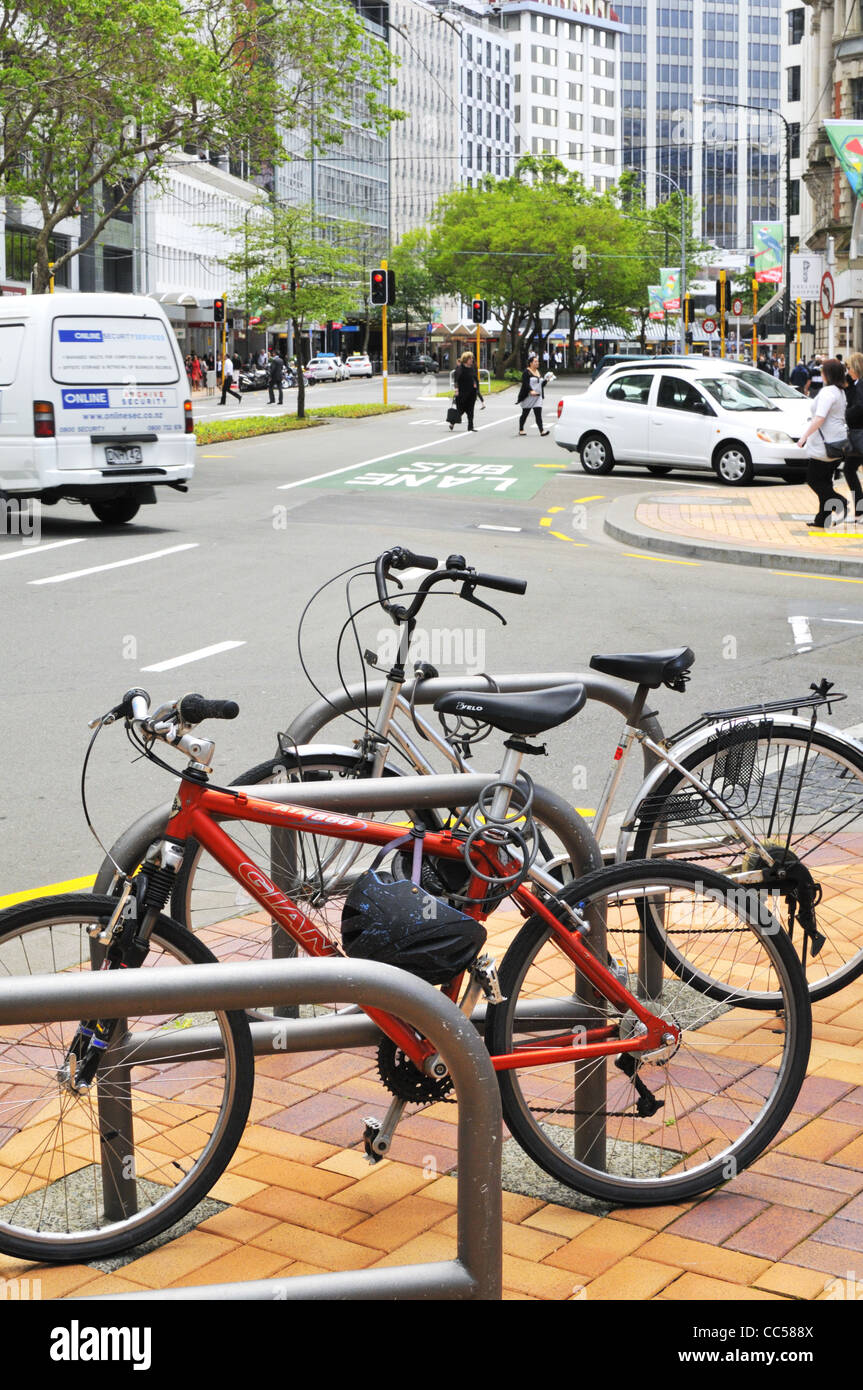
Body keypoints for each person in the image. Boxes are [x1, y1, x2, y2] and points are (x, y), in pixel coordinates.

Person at [797, 356, 849, 528]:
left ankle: (839, 502)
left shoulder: (827, 392)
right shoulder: (840, 391)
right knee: (825, 481)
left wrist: (804, 437)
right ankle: (822, 519)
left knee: (814, 480)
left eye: (823, 371)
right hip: (837, 442)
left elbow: (819, 418)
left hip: (824, 444)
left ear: (828, 374)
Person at [844, 351, 863, 521]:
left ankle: (860, 512)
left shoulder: (862, 385)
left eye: (849, 367)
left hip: (860, 434)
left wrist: (845, 414)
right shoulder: (856, 384)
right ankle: (859, 511)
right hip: (857, 434)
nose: (847, 371)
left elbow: (859, 407)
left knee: (849, 469)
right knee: (849, 469)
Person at [516, 354, 550, 436]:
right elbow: (525, 384)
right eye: (535, 361)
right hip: (528, 396)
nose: (537, 363)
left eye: (537, 361)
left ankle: (542, 431)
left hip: (538, 396)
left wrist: (546, 380)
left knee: (538, 413)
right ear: (530, 363)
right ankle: (521, 429)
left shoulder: (538, 372)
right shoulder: (526, 372)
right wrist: (531, 391)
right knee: (525, 413)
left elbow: (540, 384)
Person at [452, 351, 482, 432]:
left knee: (470, 410)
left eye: (472, 358)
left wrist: (476, 385)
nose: (471, 360)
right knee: (461, 410)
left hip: (471, 392)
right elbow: (456, 381)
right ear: (465, 359)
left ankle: (470, 427)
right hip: (462, 393)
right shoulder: (460, 369)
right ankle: (453, 422)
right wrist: (456, 390)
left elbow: (474, 378)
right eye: (470, 358)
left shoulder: (472, 368)